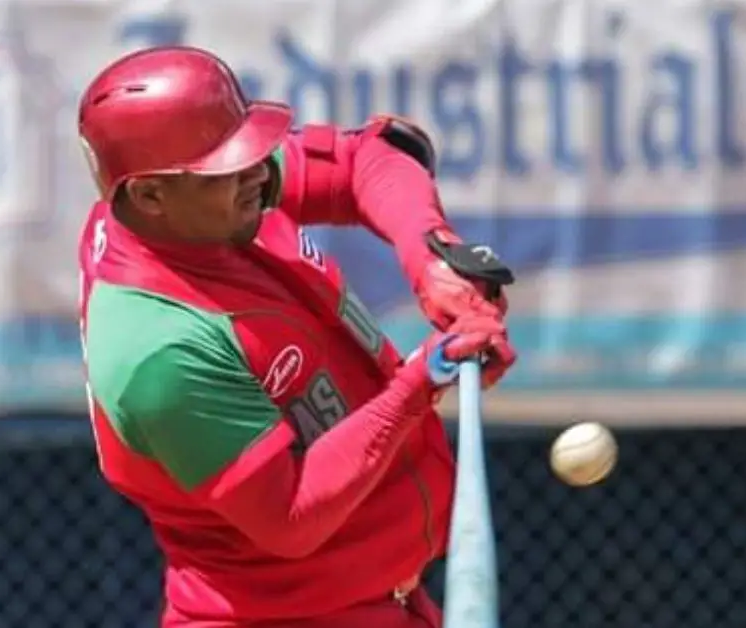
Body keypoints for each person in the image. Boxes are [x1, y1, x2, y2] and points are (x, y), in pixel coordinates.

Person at [75, 45, 517, 628]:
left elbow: (371, 157)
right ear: (149, 196)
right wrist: (420, 381)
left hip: (379, 601)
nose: (259, 172)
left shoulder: (198, 207)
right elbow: (292, 515)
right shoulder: (157, 347)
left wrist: (431, 259)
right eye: (227, 167)